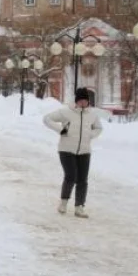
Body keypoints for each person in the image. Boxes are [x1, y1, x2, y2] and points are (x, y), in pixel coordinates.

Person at [43, 87, 103, 218]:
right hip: (66, 150)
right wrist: (60, 130)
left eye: (85, 100)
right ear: (76, 101)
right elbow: (47, 119)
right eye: (80, 100)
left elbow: (99, 128)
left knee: (82, 180)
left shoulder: (92, 114)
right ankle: (63, 203)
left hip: (84, 151)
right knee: (71, 176)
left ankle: (79, 207)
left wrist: (90, 134)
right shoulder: (65, 112)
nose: (83, 103)